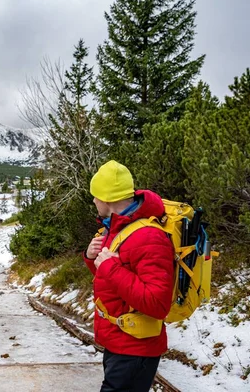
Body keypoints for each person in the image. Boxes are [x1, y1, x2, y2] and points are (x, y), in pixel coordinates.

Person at [83, 160, 174, 392]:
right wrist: (92, 258)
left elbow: (157, 303)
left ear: (107, 198)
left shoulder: (149, 237)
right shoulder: (115, 227)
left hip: (135, 348)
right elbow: (111, 282)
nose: (93, 201)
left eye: (95, 196)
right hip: (119, 340)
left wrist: (111, 267)